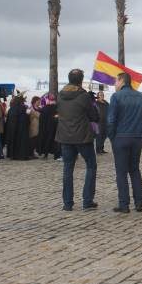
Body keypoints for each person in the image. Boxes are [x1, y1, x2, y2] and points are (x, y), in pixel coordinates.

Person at [56, 69, 100, 211]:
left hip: (65, 136)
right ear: (81, 80)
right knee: (91, 165)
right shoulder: (84, 96)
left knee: (68, 169)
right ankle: (87, 200)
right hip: (82, 137)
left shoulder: (60, 95)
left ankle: (67, 203)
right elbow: (94, 116)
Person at [107, 73, 142, 213]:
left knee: (121, 172)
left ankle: (124, 204)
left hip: (121, 137)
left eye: (115, 81)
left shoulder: (116, 97)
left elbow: (111, 120)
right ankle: (139, 203)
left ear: (121, 80)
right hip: (137, 138)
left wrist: (112, 137)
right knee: (135, 170)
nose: (114, 84)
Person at [5, 96, 30, 160]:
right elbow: (25, 119)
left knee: (13, 141)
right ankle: (21, 155)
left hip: (12, 129)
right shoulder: (22, 108)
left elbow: (8, 120)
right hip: (21, 129)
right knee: (21, 142)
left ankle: (13, 155)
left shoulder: (11, 109)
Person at [38, 94, 61, 160]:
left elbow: (41, 119)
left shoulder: (44, 108)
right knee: (56, 141)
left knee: (47, 140)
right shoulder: (57, 108)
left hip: (46, 127)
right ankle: (56, 155)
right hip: (55, 127)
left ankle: (45, 154)